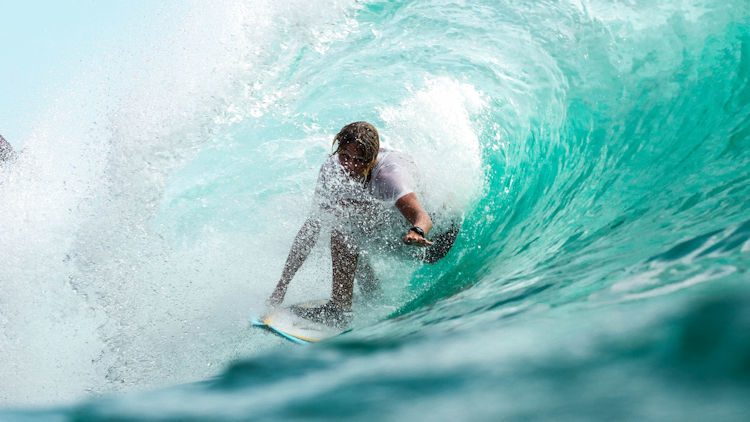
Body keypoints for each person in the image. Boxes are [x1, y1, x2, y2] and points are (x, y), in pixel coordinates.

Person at [266, 122, 459, 326]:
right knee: (343, 218)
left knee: (344, 229)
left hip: (435, 240)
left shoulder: (388, 176)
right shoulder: (332, 169)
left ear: (372, 159)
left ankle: (340, 312)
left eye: (359, 160)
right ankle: (372, 296)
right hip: (399, 234)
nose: (350, 165)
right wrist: (282, 285)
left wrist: (417, 231)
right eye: (345, 156)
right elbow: (311, 229)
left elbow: (423, 216)